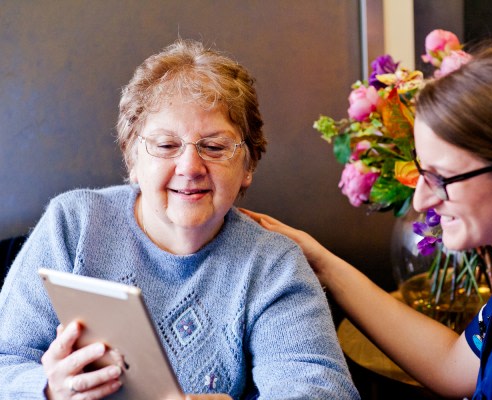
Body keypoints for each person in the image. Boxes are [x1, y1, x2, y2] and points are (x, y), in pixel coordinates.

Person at [0, 39, 359, 400]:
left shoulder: (274, 265)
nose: (189, 167)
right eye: (167, 146)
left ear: (248, 165)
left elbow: (322, 390)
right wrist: (47, 390)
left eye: (215, 147)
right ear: (132, 159)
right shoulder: (73, 224)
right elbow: (5, 360)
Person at [243, 43, 492, 399]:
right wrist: (322, 264)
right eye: (421, 174)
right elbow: (454, 367)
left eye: (442, 178)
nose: (422, 199)